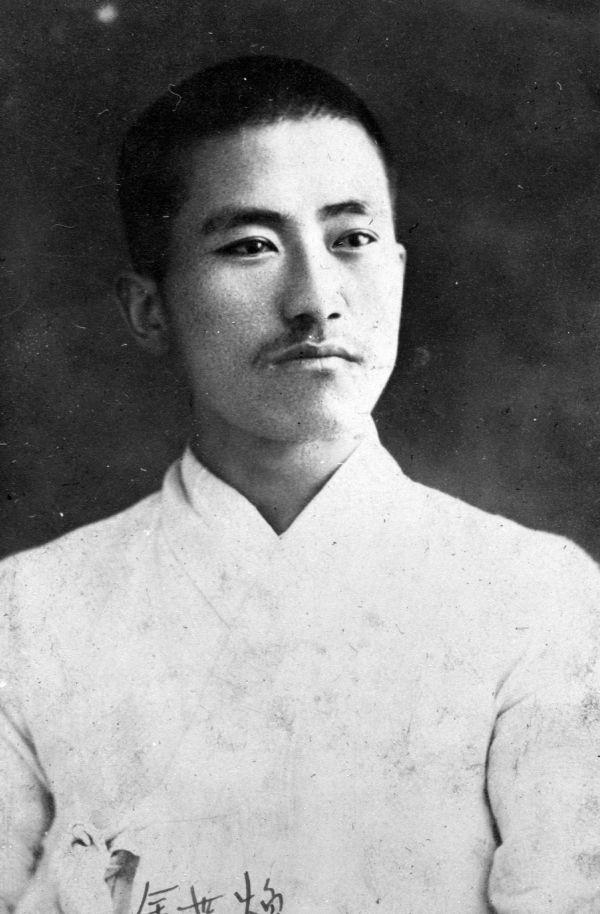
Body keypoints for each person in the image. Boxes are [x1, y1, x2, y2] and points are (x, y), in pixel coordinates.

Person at [1, 55, 600, 914]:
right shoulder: (26, 618)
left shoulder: (541, 601)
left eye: (352, 239)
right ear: (149, 308)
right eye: (251, 246)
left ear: (398, 268)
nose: (317, 300)